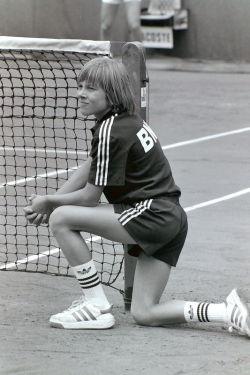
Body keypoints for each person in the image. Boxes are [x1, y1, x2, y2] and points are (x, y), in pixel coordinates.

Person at [24, 57, 250, 336]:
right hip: (171, 219)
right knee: (145, 312)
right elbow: (93, 165)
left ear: (113, 93)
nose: (81, 93)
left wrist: (50, 203)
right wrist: (54, 196)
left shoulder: (111, 129)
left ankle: (95, 306)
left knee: (61, 218)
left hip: (150, 214)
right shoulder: (124, 121)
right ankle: (228, 311)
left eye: (91, 88)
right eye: (80, 85)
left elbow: (89, 198)